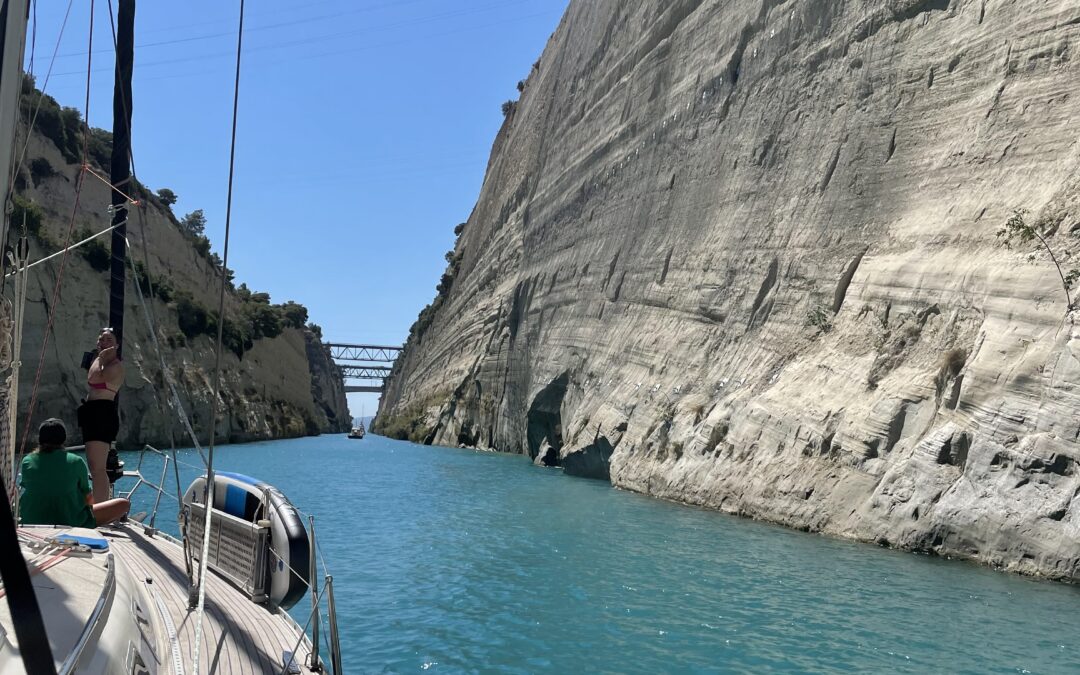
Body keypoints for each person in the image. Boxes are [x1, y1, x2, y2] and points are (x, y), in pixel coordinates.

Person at [19, 418, 130, 527]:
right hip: (70, 521)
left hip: (30, 520)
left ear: (40, 439)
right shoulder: (75, 461)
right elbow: (88, 497)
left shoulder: (27, 461)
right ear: (64, 438)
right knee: (124, 504)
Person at [78, 327, 124, 504]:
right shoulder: (102, 362)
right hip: (92, 413)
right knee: (95, 466)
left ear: (116, 345)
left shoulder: (115, 366)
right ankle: (98, 506)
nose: (103, 343)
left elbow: (94, 379)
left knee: (98, 469)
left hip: (102, 414)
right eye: (101, 339)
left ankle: (99, 509)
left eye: (109, 340)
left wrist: (99, 357)